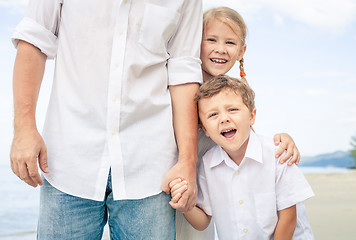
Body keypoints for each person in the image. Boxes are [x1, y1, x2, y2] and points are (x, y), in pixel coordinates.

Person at [10, 1, 203, 239]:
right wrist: (24, 128)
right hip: (69, 160)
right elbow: (34, 39)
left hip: (150, 166)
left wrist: (188, 160)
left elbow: (184, 70)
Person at [173, 6, 301, 240]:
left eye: (230, 43)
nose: (220, 49)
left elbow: (248, 140)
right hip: (183, 181)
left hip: (212, 186)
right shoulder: (180, 84)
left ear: (241, 51)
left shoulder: (233, 92)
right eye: (211, 39)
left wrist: (283, 139)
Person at [170, 75, 314, 240]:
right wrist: (185, 205)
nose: (224, 118)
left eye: (232, 109)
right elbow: (203, 221)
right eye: (213, 115)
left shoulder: (277, 155)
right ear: (205, 130)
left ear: (252, 116)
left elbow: (288, 219)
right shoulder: (208, 163)